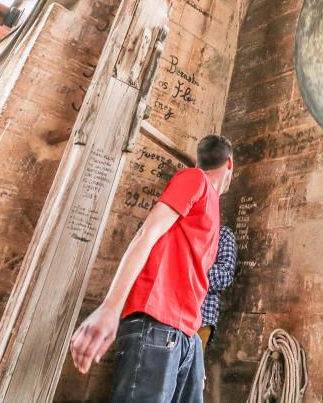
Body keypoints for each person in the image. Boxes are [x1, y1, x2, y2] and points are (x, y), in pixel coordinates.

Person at [69, 135, 234, 403]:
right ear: (230, 165)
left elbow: (194, 278)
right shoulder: (195, 179)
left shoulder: (213, 209)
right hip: (158, 325)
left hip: (186, 336)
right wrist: (111, 308)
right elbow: (147, 233)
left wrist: (193, 355)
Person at [198, 224, 237, 352]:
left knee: (187, 370)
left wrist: (190, 268)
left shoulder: (223, 234)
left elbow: (224, 276)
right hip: (167, 314)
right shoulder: (179, 228)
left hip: (200, 319)